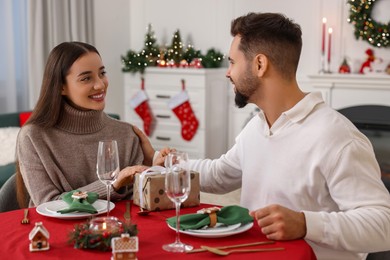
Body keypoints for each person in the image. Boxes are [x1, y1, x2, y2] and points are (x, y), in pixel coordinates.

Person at [136, 13, 390, 259]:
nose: (227, 72)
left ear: (259, 64)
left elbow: (383, 224)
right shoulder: (257, 127)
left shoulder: (338, 137)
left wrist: (305, 223)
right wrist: (161, 160)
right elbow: (220, 174)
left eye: (233, 62)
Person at [15, 41, 164, 208]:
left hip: (119, 232)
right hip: (54, 232)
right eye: (86, 78)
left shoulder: (127, 134)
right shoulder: (33, 137)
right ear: (61, 87)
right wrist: (112, 185)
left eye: (102, 73)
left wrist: (157, 170)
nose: (100, 84)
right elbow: (49, 205)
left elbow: (139, 204)